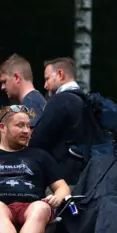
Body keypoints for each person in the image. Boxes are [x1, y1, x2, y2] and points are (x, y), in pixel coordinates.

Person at [30, 57, 87, 185]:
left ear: (61, 74)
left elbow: (38, 139)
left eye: (47, 79)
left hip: (62, 180)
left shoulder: (60, 101)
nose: (45, 85)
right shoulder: (85, 101)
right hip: (86, 177)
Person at [0, 54, 46, 127]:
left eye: (4, 81)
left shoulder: (31, 103)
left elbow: (29, 137)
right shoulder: (35, 100)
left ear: (16, 77)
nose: (2, 87)